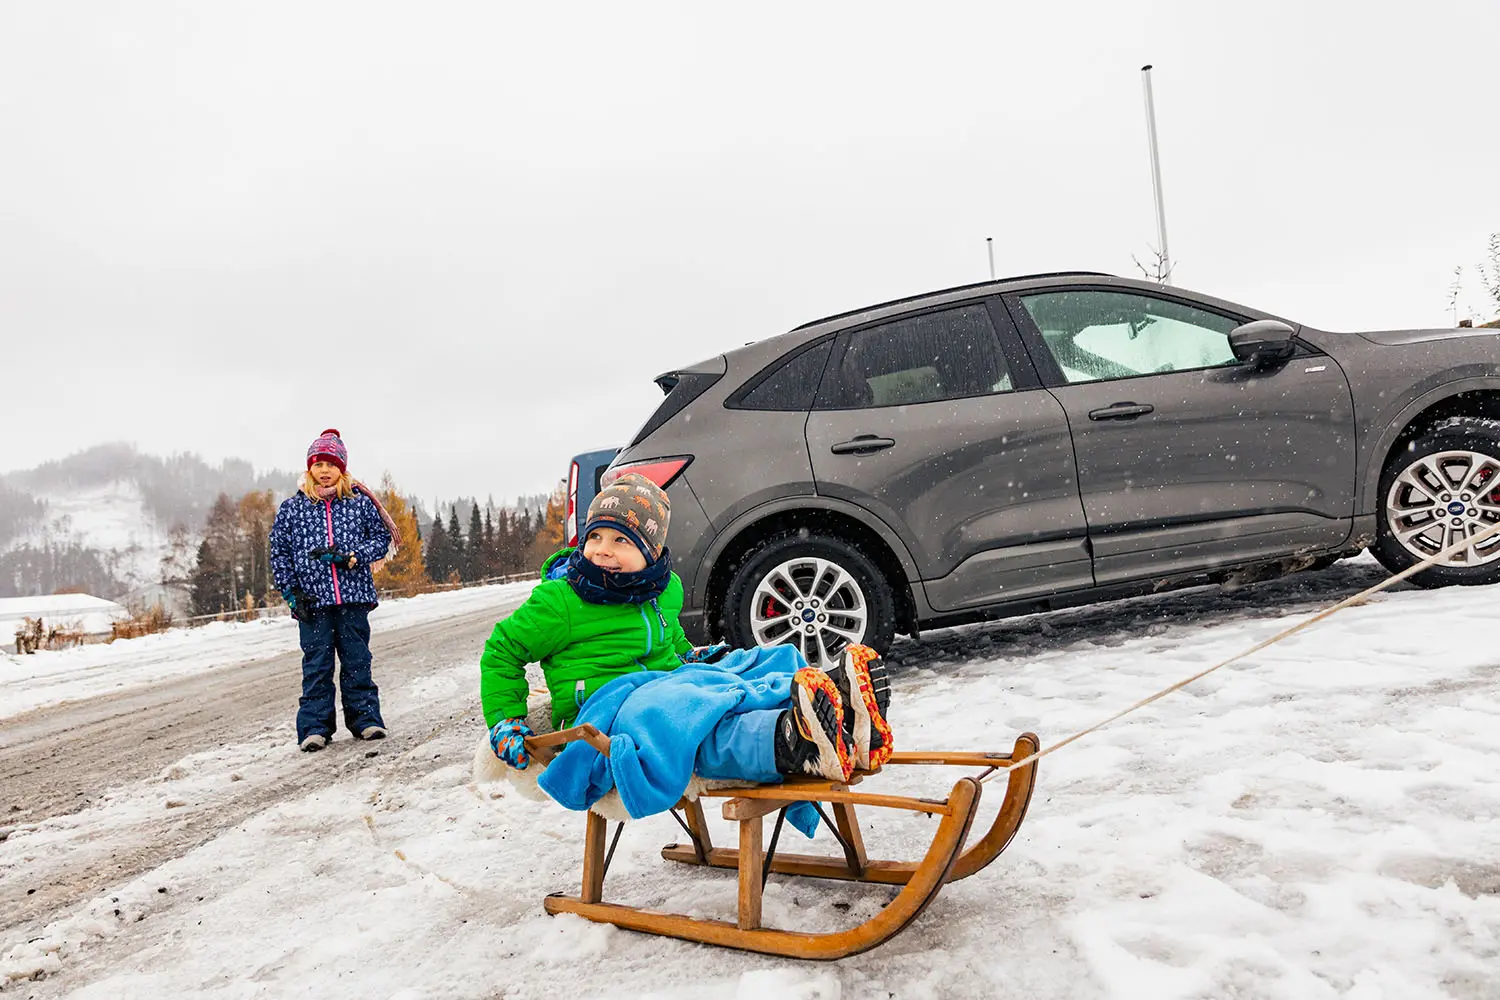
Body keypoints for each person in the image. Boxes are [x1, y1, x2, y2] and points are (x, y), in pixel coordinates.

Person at [478, 472, 892, 792]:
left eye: (621, 540)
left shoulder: (663, 588)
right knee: (684, 713)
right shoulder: (560, 602)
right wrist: (506, 722)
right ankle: (786, 740)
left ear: (651, 551)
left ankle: (840, 706)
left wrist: (692, 656)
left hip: (666, 681)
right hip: (610, 709)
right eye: (595, 537)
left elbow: (667, 635)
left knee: (762, 658)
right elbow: (502, 651)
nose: (603, 548)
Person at [270, 428, 399, 752]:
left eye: (331, 464)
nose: (324, 471)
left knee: (357, 662)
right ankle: (315, 728)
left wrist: (355, 557)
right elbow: (279, 553)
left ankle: (366, 720)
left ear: (342, 468)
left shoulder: (358, 504)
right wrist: (291, 592)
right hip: (312, 603)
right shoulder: (292, 510)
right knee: (317, 666)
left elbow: (380, 539)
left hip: (353, 598)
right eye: (318, 464)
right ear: (309, 469)